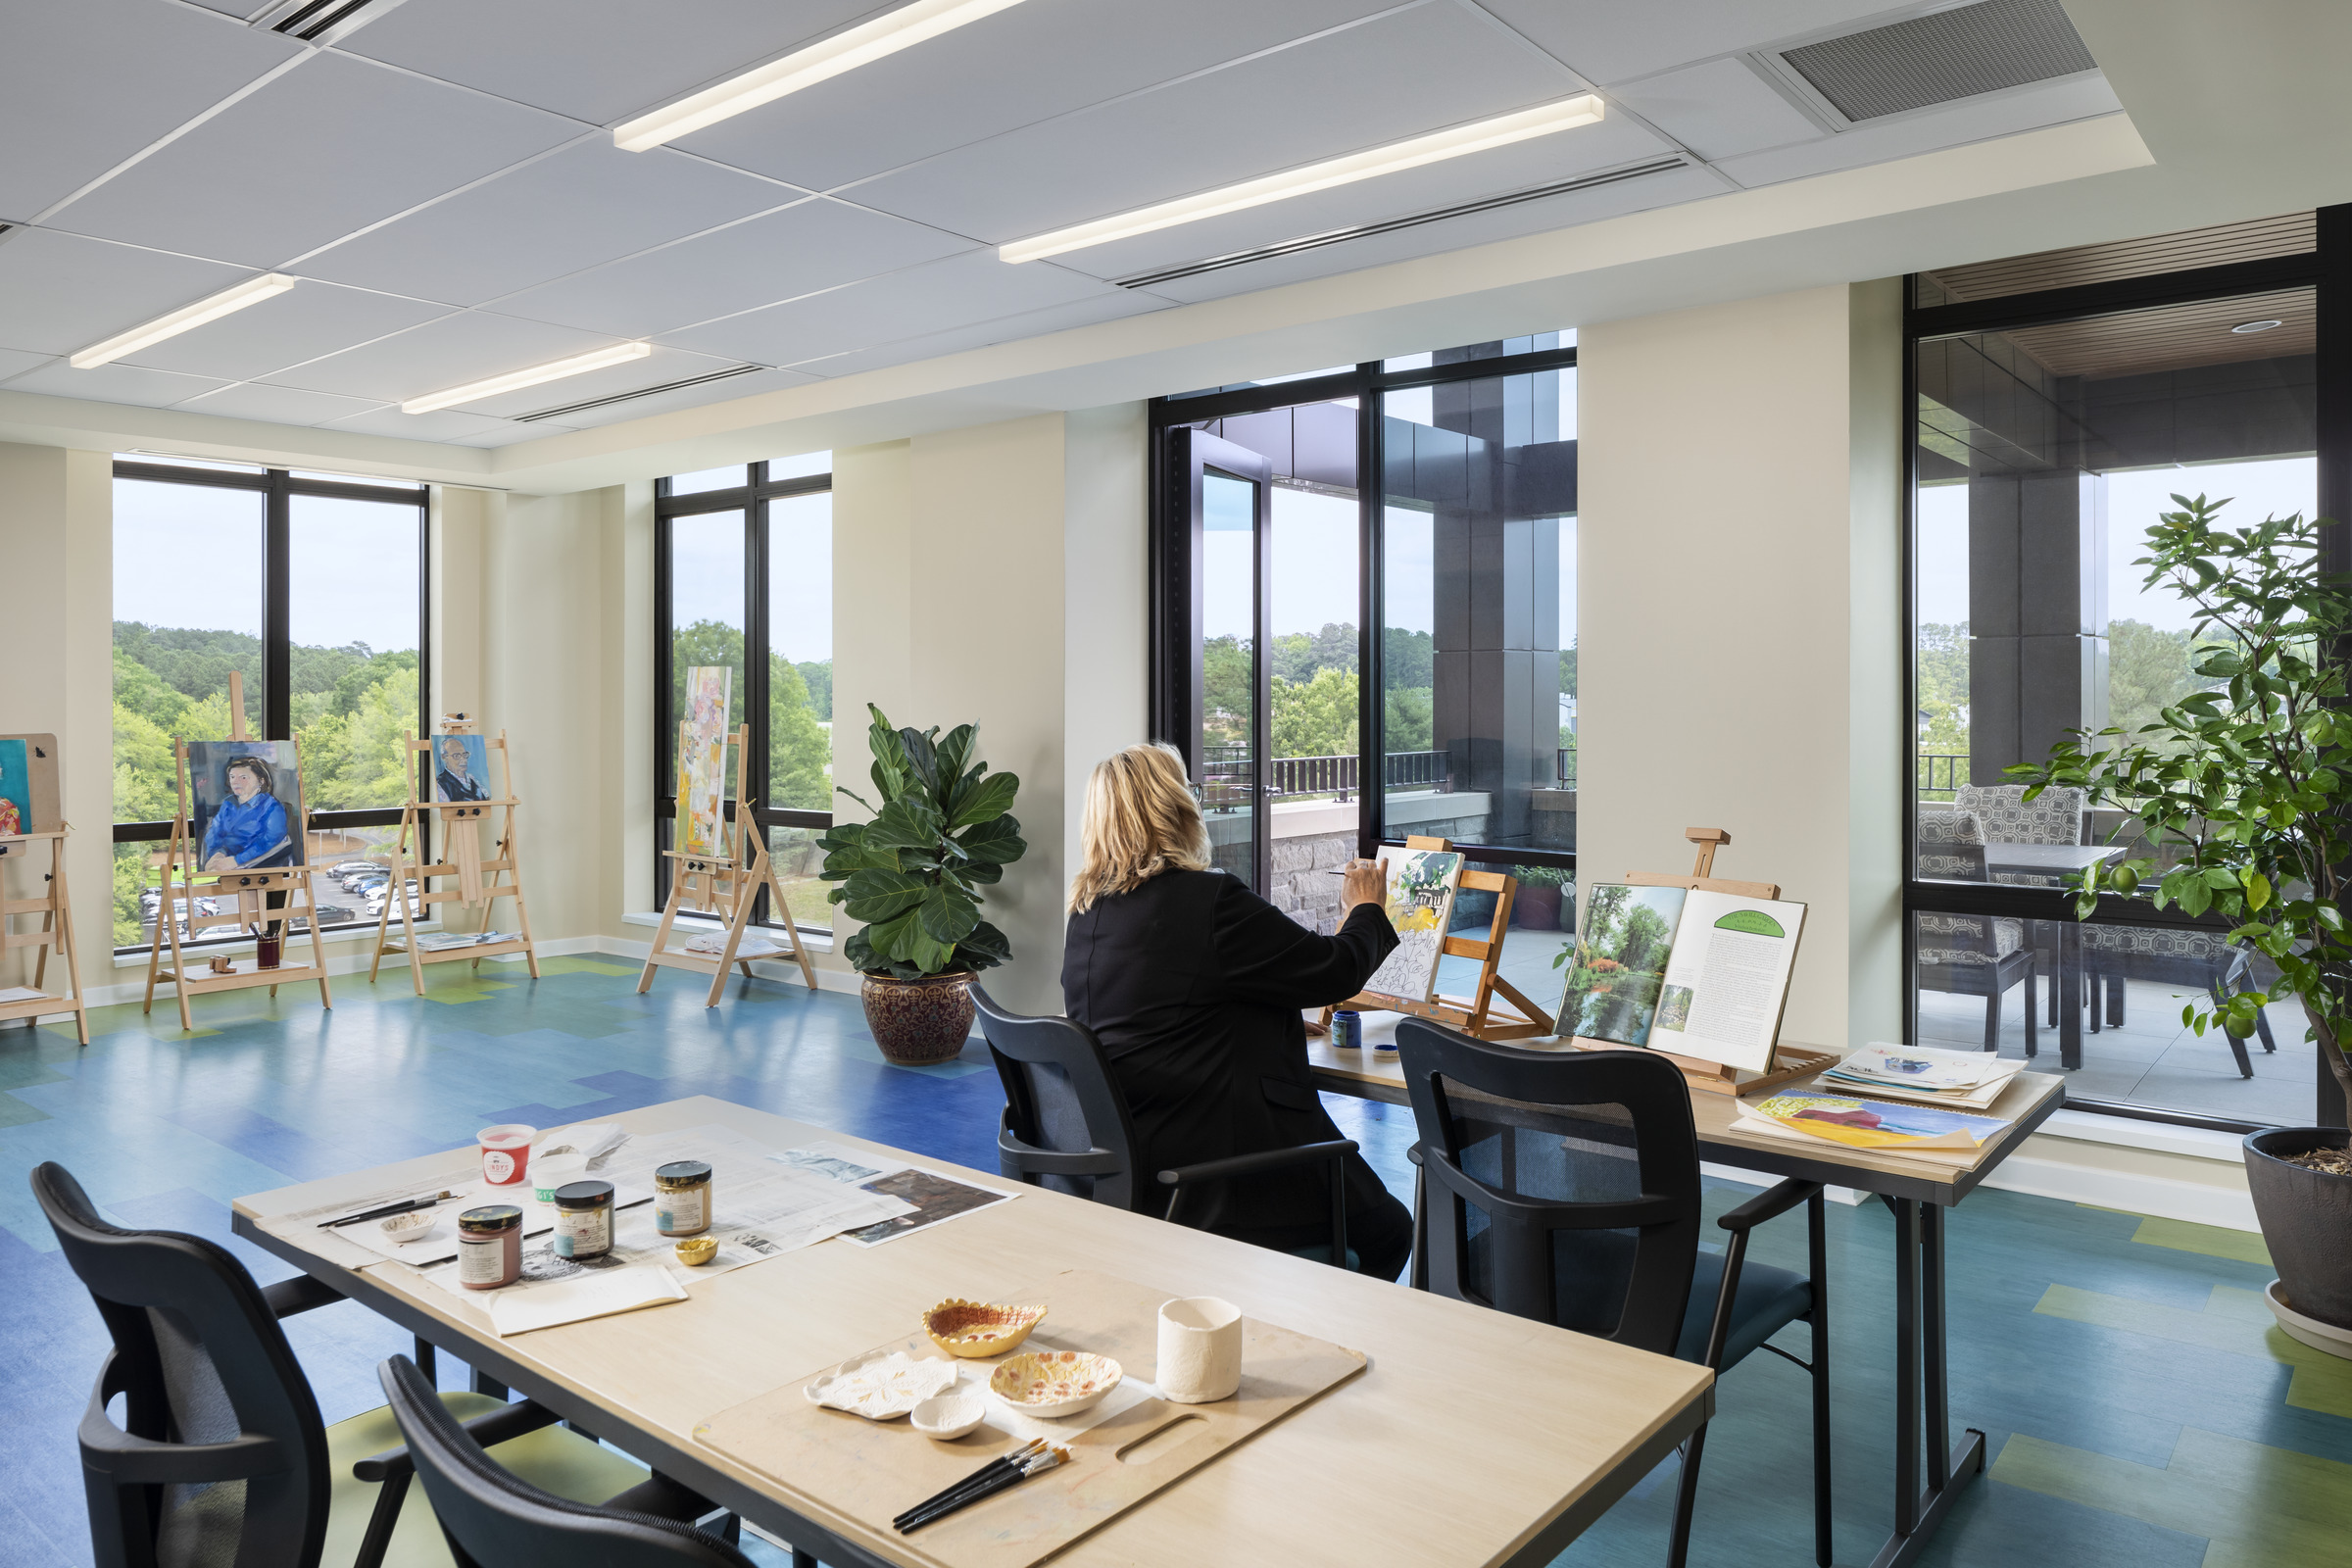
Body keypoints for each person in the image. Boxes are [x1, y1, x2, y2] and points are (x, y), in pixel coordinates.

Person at [1060, 742, 1414, 1281]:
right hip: (1218, 1172)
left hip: (1130, 1160)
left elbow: (1165, 1010)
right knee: (1387, 1230)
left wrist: (1256, 1014)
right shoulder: (1208, 901)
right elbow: (1333, 969)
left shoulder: (1089, 913)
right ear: (1175, 807)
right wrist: (1364, 907)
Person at [201, 755, 292, 873]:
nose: (235, 782)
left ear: (261, 780)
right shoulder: (228, 803)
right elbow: (215, 832)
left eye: (243, 777)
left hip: (255, 864)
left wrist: (236, 861)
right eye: (232, 777)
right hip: (225, 862)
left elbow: (269, 841)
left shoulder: (272, 807)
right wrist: (218, 854)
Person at [435, 736, 489, 802]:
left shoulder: (472, 779)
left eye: (464, 754)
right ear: (444, 757)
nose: (463, 759)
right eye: (456, 756)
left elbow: (487, 799)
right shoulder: (441, 784)